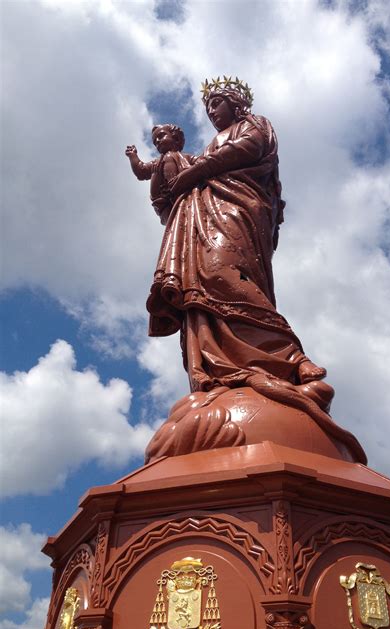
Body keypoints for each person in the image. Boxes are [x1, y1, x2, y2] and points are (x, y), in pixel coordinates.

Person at [145, 78, 328, 394]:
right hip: (204, 214)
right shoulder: (204, 149)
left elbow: (247, 149)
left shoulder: (256, 125)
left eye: (217, 103)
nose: (212, 112)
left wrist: (195, 173)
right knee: (198, 285)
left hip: (238, 207)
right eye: (208, 108)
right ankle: (215, 369)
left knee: (222, 271)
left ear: (235, 102)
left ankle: (292, 357)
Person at [125, 124, 193, 225]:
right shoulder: (157, 163)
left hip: (186, 194)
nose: (157, 141)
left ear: (176, 138)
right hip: (165, 201)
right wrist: (133, 156)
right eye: (154, 141)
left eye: (161, 136)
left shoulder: (186, 157)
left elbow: (201, 164)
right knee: (174, 222)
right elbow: (141, 171)